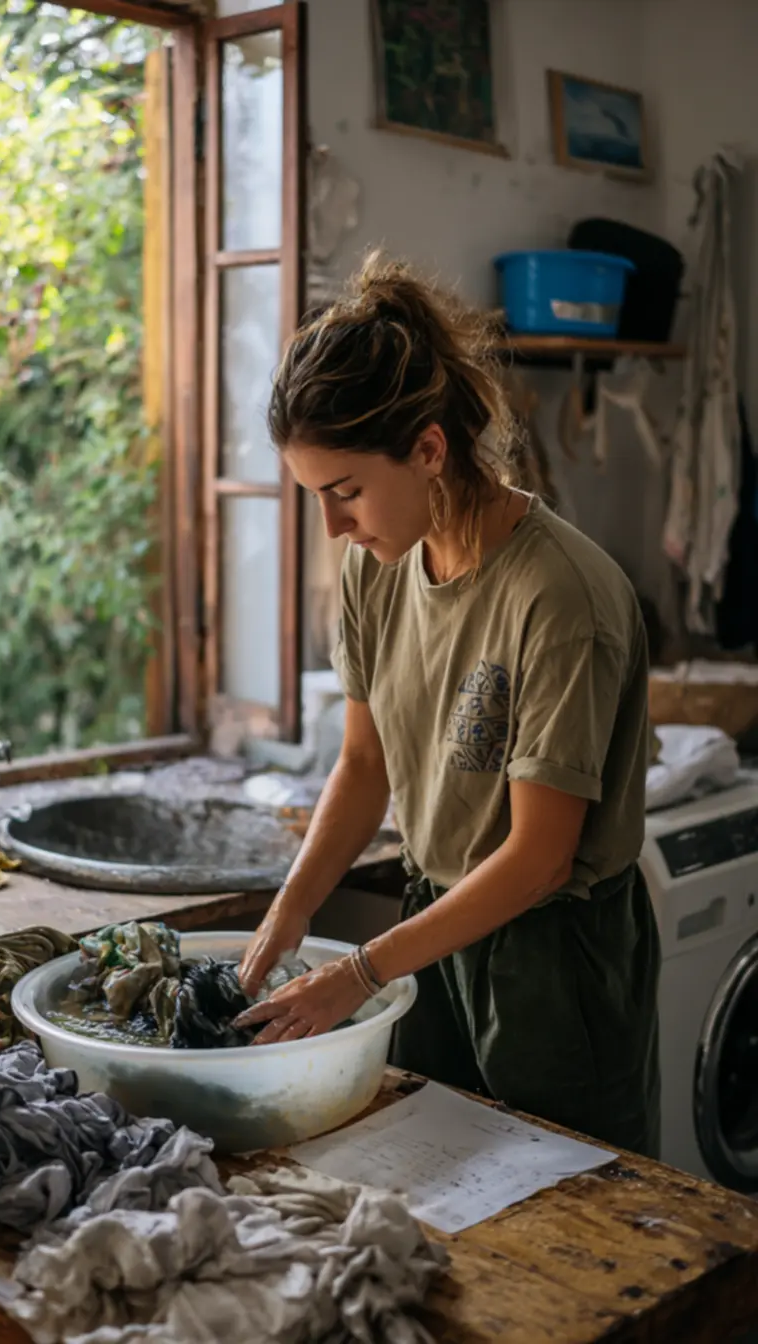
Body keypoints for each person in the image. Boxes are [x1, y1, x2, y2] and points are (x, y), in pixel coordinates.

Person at [235, 254, 660, 1158]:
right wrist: (289, 913)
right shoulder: (377, 568)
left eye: (345, 491)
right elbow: (364, 764)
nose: (335, 528)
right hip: (435, 924)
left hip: (553, 957)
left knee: (571, 1217)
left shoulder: (561, 596)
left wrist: (356, 973)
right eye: (316, 497)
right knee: (445, 1185)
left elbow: (541, 859)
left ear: (429, 449)